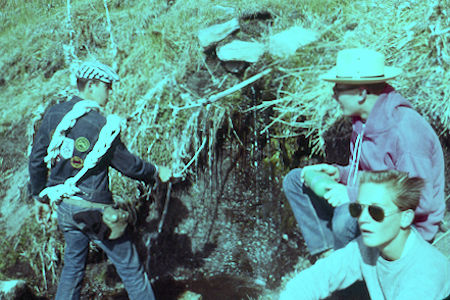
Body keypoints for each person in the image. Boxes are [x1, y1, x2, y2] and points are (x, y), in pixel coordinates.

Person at [28, 61, 171, 300]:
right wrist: (157, 170)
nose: (110, 91)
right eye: (108, 86)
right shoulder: (101, 125)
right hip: (94, 211)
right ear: (92, 86)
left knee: (73, 267)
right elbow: (129, 166)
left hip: (64, 208)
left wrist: (39, 197)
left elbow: (36, 159)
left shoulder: (53, 113)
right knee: (131, 269)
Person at [282, 48, 445, 257]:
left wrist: (351, 194)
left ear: (361, 93)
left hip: (408, 227)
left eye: (338, 88)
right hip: (375, 204)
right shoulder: (362, 122)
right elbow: (371, 174)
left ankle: (353, 285)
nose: (333, 95)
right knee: (296, 180)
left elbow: (418, 200)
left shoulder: (405, 131)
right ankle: (328, 256)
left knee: (344, 217)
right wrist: (339, 174)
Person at [280, 170, 450, 300]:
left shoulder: (425, 275)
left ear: (405, 218)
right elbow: (318, 277)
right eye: (358, 209)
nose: (363, 219)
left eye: (376, 211)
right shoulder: (366, 246)